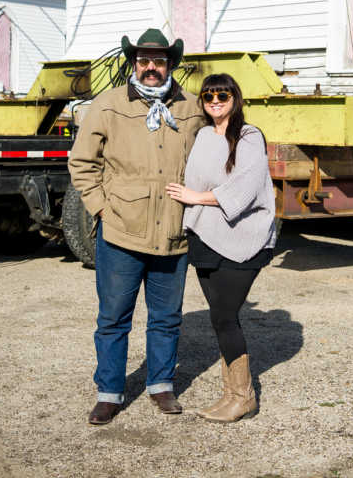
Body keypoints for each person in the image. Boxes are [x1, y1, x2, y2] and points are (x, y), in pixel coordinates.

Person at [69, 28, 204, 425]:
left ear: (170, 65)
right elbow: (82, 163)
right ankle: (110, 391)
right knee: (113, 318)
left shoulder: (192, 108)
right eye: (143, 61)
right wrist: (100, 209)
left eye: (159, 61)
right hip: (121, 231)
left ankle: (161, 385)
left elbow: (209, 160)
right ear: (133, 63)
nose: (150, 68)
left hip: (172, 232)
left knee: (166, 317)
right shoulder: (108, 104)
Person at [165, 73, 277, 423]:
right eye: (209, 96)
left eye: (222, 96)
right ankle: (231, 394)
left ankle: (244, 397)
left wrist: (195, 197)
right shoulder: (201, 135)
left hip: (243, 237)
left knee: (224, 316)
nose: (215, 101)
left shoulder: (248, 135)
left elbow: (245, 188)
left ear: (235, 99)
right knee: (220, 318)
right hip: (205, 233)